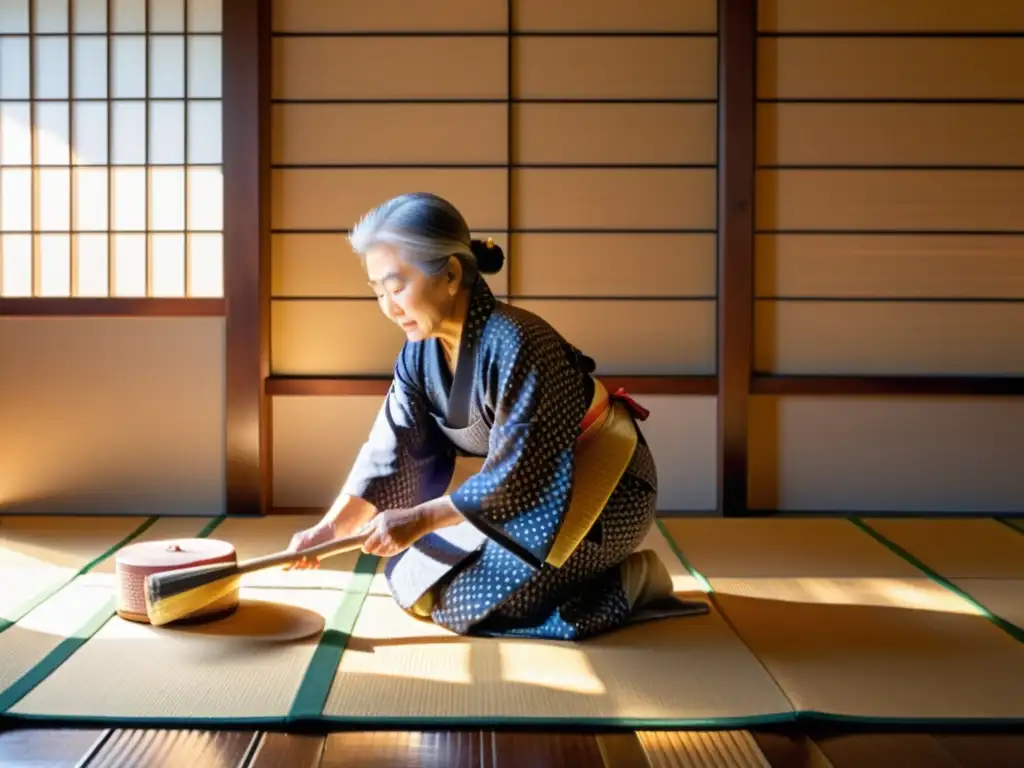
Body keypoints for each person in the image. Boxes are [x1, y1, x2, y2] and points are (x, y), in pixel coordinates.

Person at [286, 192, 707, 640]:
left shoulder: (520, 343)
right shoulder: (417, 356)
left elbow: (522, 474)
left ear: (449, 274)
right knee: (410, 578)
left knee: (476, 605)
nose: (388, 307)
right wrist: (328, 530)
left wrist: (423, 518)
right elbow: (392, 450)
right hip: (524, 494)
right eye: (377, 292)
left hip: (603, 486)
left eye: (395, 287)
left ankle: (633, 582)